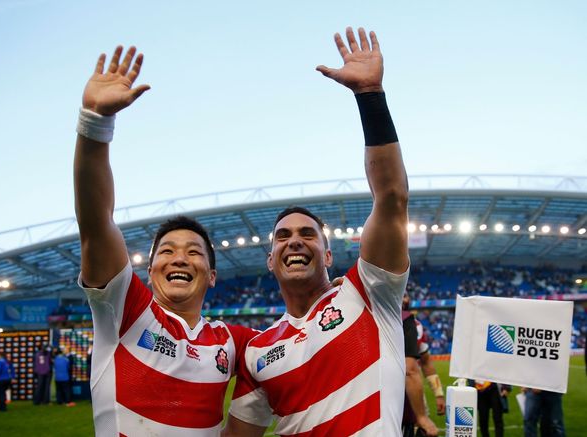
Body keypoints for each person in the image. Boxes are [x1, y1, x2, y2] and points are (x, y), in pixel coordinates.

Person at [225, 27, 430, 436]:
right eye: (282, 236)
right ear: (270, 260)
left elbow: (391, 196)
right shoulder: (259, 353)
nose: (295, 240)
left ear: (329, 254)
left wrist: (370, 96)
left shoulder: (370, 294)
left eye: (307, 234)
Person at [73, 45, 258, 435]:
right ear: (149, 266)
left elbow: (295, 350)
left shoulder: (230, 340)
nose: (179, 259)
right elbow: (95, 222)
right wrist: (95, 124)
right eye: (167, 251)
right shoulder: (124, 311)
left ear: (211, 275)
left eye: (194, 253)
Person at [403, 309, 439, 436]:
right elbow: (411, 369)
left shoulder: (415, 325)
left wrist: (439, 394)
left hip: (412, 389)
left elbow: (426, 362)